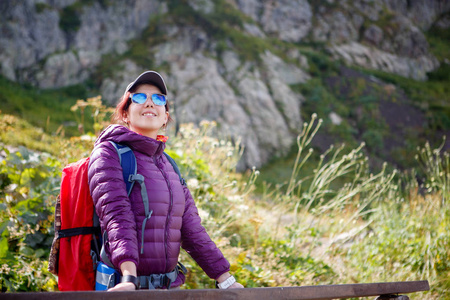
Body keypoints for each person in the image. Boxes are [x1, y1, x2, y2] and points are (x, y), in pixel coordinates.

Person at [87, 71, 244, 291]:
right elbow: (116, 215)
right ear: (125, 114)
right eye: (140, 97)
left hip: (168, 291)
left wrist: (226, 280)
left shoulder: (168, 164)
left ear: (165, 116)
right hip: (121, 287)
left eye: (159, 99)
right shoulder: (109, 153)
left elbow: (191, 228)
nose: (150, 103)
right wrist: (128, 279)